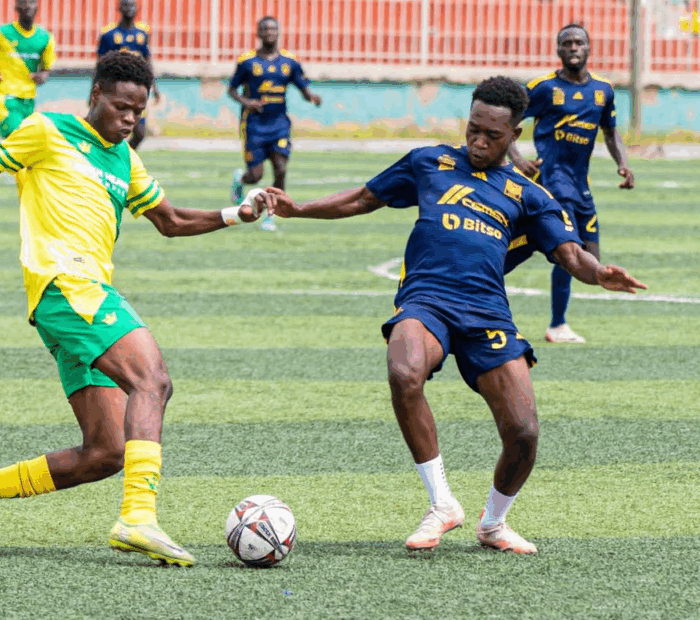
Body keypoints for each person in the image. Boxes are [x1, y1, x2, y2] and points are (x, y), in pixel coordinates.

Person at [0, 51, 267, 566]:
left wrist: (236, 213)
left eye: (138, 112)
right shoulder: (46, 131)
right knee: (152, 379)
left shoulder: (125, 159)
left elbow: (171, 219)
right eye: (121, 107)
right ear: (95, 94)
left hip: (77, 299)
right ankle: (138, 517)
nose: (130, 120)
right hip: (66, 287)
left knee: (106, 452)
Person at [261, 77, 646, 554]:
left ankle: (494, 523)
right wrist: (298, 209)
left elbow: (569, 253)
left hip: (487, 312)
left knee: (524, 432)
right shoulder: (429, 162)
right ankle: (442, 504)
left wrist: (598, 273)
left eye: (493, 135)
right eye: (473, 130)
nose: (479, 142)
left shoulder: (527, 194)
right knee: (404, 372)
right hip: (427, 300)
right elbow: (363, 198)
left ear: (515, 135)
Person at [506, 24, 634, 344]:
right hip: (551, 180)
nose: (573, 47)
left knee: (591, 260)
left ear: (589, 48)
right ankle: (555, 323)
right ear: (558, 50)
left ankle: (556, 321)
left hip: (581, 184)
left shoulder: (604, 90)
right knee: (570, 251)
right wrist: (519, 161)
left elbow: (610, 131)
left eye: (579, 42)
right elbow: (507, 121)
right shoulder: (543, 88)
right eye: (567, 43)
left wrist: (623, 163)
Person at [227, 16, 321, 231]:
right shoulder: (247, 61)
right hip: (254, 125)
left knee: (280, 168)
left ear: (278, 33)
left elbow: (302, 87)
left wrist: (312, 97)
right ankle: (240, 179)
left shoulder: (289, 62)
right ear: (258, 34)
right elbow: (231, 90)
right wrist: (247, 101)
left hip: (279, 124)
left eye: (273, 29)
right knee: (256, 176)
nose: (269, 32)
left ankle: (272, 214)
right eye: (265, 29)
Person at [0, 0, 56, 212]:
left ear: (37, 7)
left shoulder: (44, 38)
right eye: (23, 3)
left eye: (32, 2)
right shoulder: (0, 33)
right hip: (5, 97)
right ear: (16, 8)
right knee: (17, 140)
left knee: (14, 147)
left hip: (28, 99)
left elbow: (46, 68)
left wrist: (42, 76)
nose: (28, 6)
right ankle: (28, 197)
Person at [97, 0, 159, 149]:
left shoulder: (142, 33)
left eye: (132, 5)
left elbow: (147, 61)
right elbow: (100, 64)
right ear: (119, 8)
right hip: (116, 90)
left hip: (137, 89)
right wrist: (95, 88)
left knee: (140, 133)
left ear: (137, 8)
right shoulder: (109, 34)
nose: (128, 8)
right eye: (125, 5)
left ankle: (128, 159)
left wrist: (155, 87)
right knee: (113, 131)